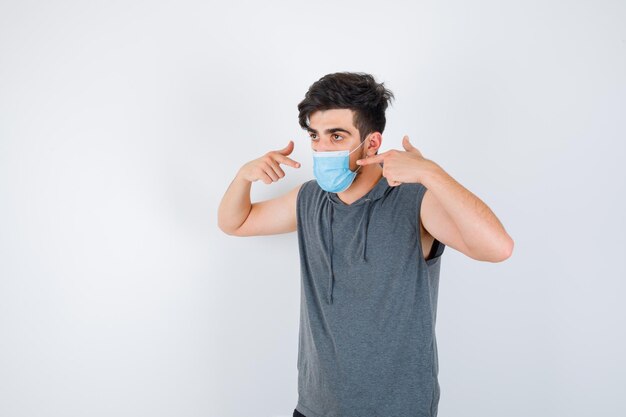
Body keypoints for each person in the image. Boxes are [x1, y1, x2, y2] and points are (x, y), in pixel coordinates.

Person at [218, 72, 514, 417]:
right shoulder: (309, 198)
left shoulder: (414, 201)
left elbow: (498, 248)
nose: (321, 148)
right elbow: (234, 222)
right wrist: (243, 177)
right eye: (315, 136)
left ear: (372, 143)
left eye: (337, 136)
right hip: (316, 408)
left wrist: (431, 173)